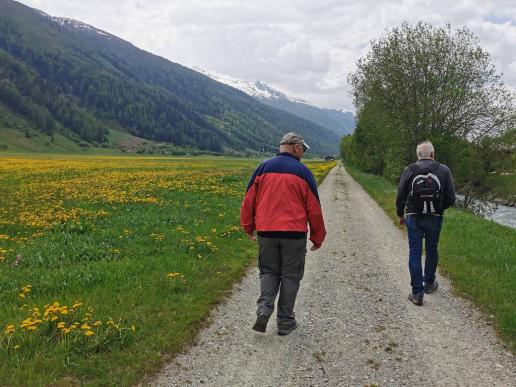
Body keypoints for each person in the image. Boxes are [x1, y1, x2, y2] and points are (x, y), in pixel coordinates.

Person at [240, 132, 326, 335]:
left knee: (268, 271)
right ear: (296, 147)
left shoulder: (262, 168)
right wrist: (317, 236)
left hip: (266, 232)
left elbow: (248, 200)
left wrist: (248, 226)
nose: (303, 153)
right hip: (293, 234)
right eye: (303, 149)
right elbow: (314, 207)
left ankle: (263, 310)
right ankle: (285, 322)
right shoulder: (303, 171)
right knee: (290, 276)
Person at [396, 141, 456, 306]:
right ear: (432, 154)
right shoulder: (443, 169)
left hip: (413, 216)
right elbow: (451, 197)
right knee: (432, 249)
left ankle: (417, 293)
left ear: (418, 155)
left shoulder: (410, 170)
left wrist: (400, 214)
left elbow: (400, 194)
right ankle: (429, 283)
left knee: (415, 252)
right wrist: (438, 208)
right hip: (434, 217)